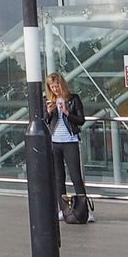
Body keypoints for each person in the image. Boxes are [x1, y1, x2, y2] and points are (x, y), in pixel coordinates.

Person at [44, 72, 88, 218]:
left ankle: (83, 210)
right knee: (58, 177)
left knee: (76, 176)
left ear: (62, 85)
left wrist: (67, 112)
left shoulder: (73, 99)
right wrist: (49, 112)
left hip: (70, 141)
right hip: (55, 142)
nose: (55, 90)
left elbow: (81, 120)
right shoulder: (48, 100)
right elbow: (43, 122)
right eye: (52, 87)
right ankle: (63, 210)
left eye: (57, 86)